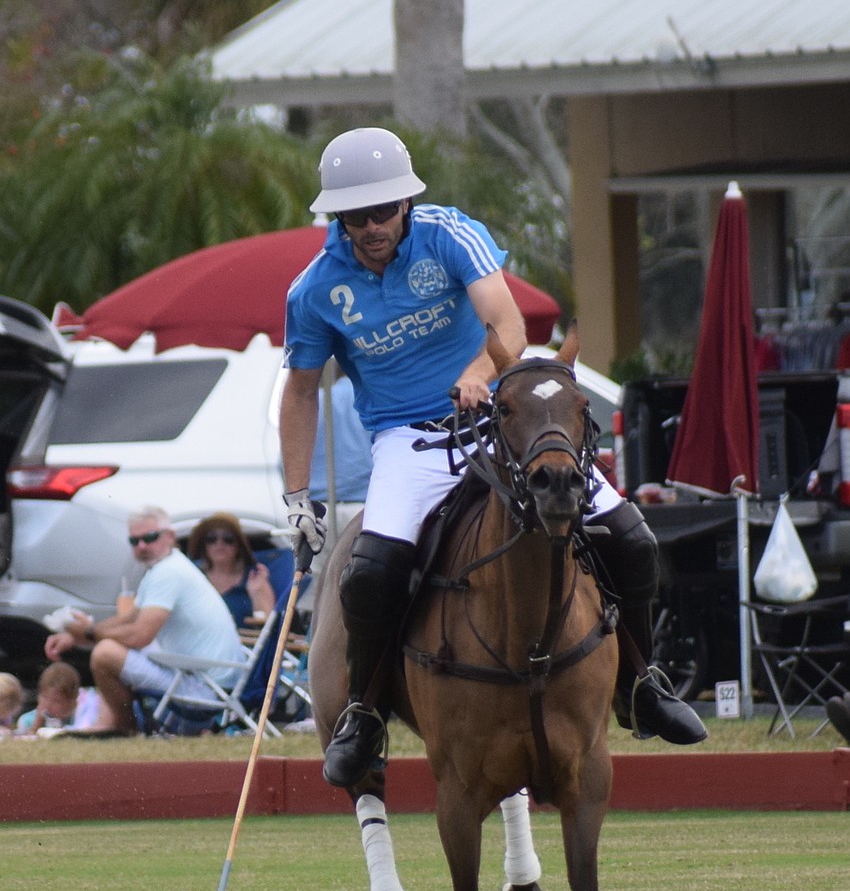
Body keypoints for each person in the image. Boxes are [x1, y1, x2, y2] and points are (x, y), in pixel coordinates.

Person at [280, 126, 706, 789]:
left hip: (499, 420)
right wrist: (296, 496)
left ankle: (644, 681)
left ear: (406, 206)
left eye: (382, 212)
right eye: (354, 216)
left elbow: (509, 324)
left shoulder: (450, 233)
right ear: (336, 218)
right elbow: (301, 392)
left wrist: (482, 368)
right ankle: (364, 711)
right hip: (406, 439)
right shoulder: (312, 291)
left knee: (630, 536)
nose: (370, 227)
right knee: (370, 571)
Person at [43, 506, 245, 735]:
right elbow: (127, 619)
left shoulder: (168, 573)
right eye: (134, 540)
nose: (142, 546)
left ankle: (123, 729)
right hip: (207, 678)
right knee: (109, 646)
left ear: (169, 536)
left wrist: (89, 633)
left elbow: (140, 635)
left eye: (150, 538)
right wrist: (74, 636)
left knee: (105, 653)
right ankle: (117, 725)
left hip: (207, 689)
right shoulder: (166, 567)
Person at [187, 513, 276, 628]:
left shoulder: (254, 577)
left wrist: (257, 593)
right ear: (204, 545)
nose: (219, 543)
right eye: (211, 538)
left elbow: (266, 626)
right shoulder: (192, 575)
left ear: (238, 545)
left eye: (228, 538)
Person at [16, 661, 101, 734]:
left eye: (56, 701)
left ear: (72, 702)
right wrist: (37, 725)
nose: (48, 704)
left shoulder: (81, 715)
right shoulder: (28, 720)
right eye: (44, 697)